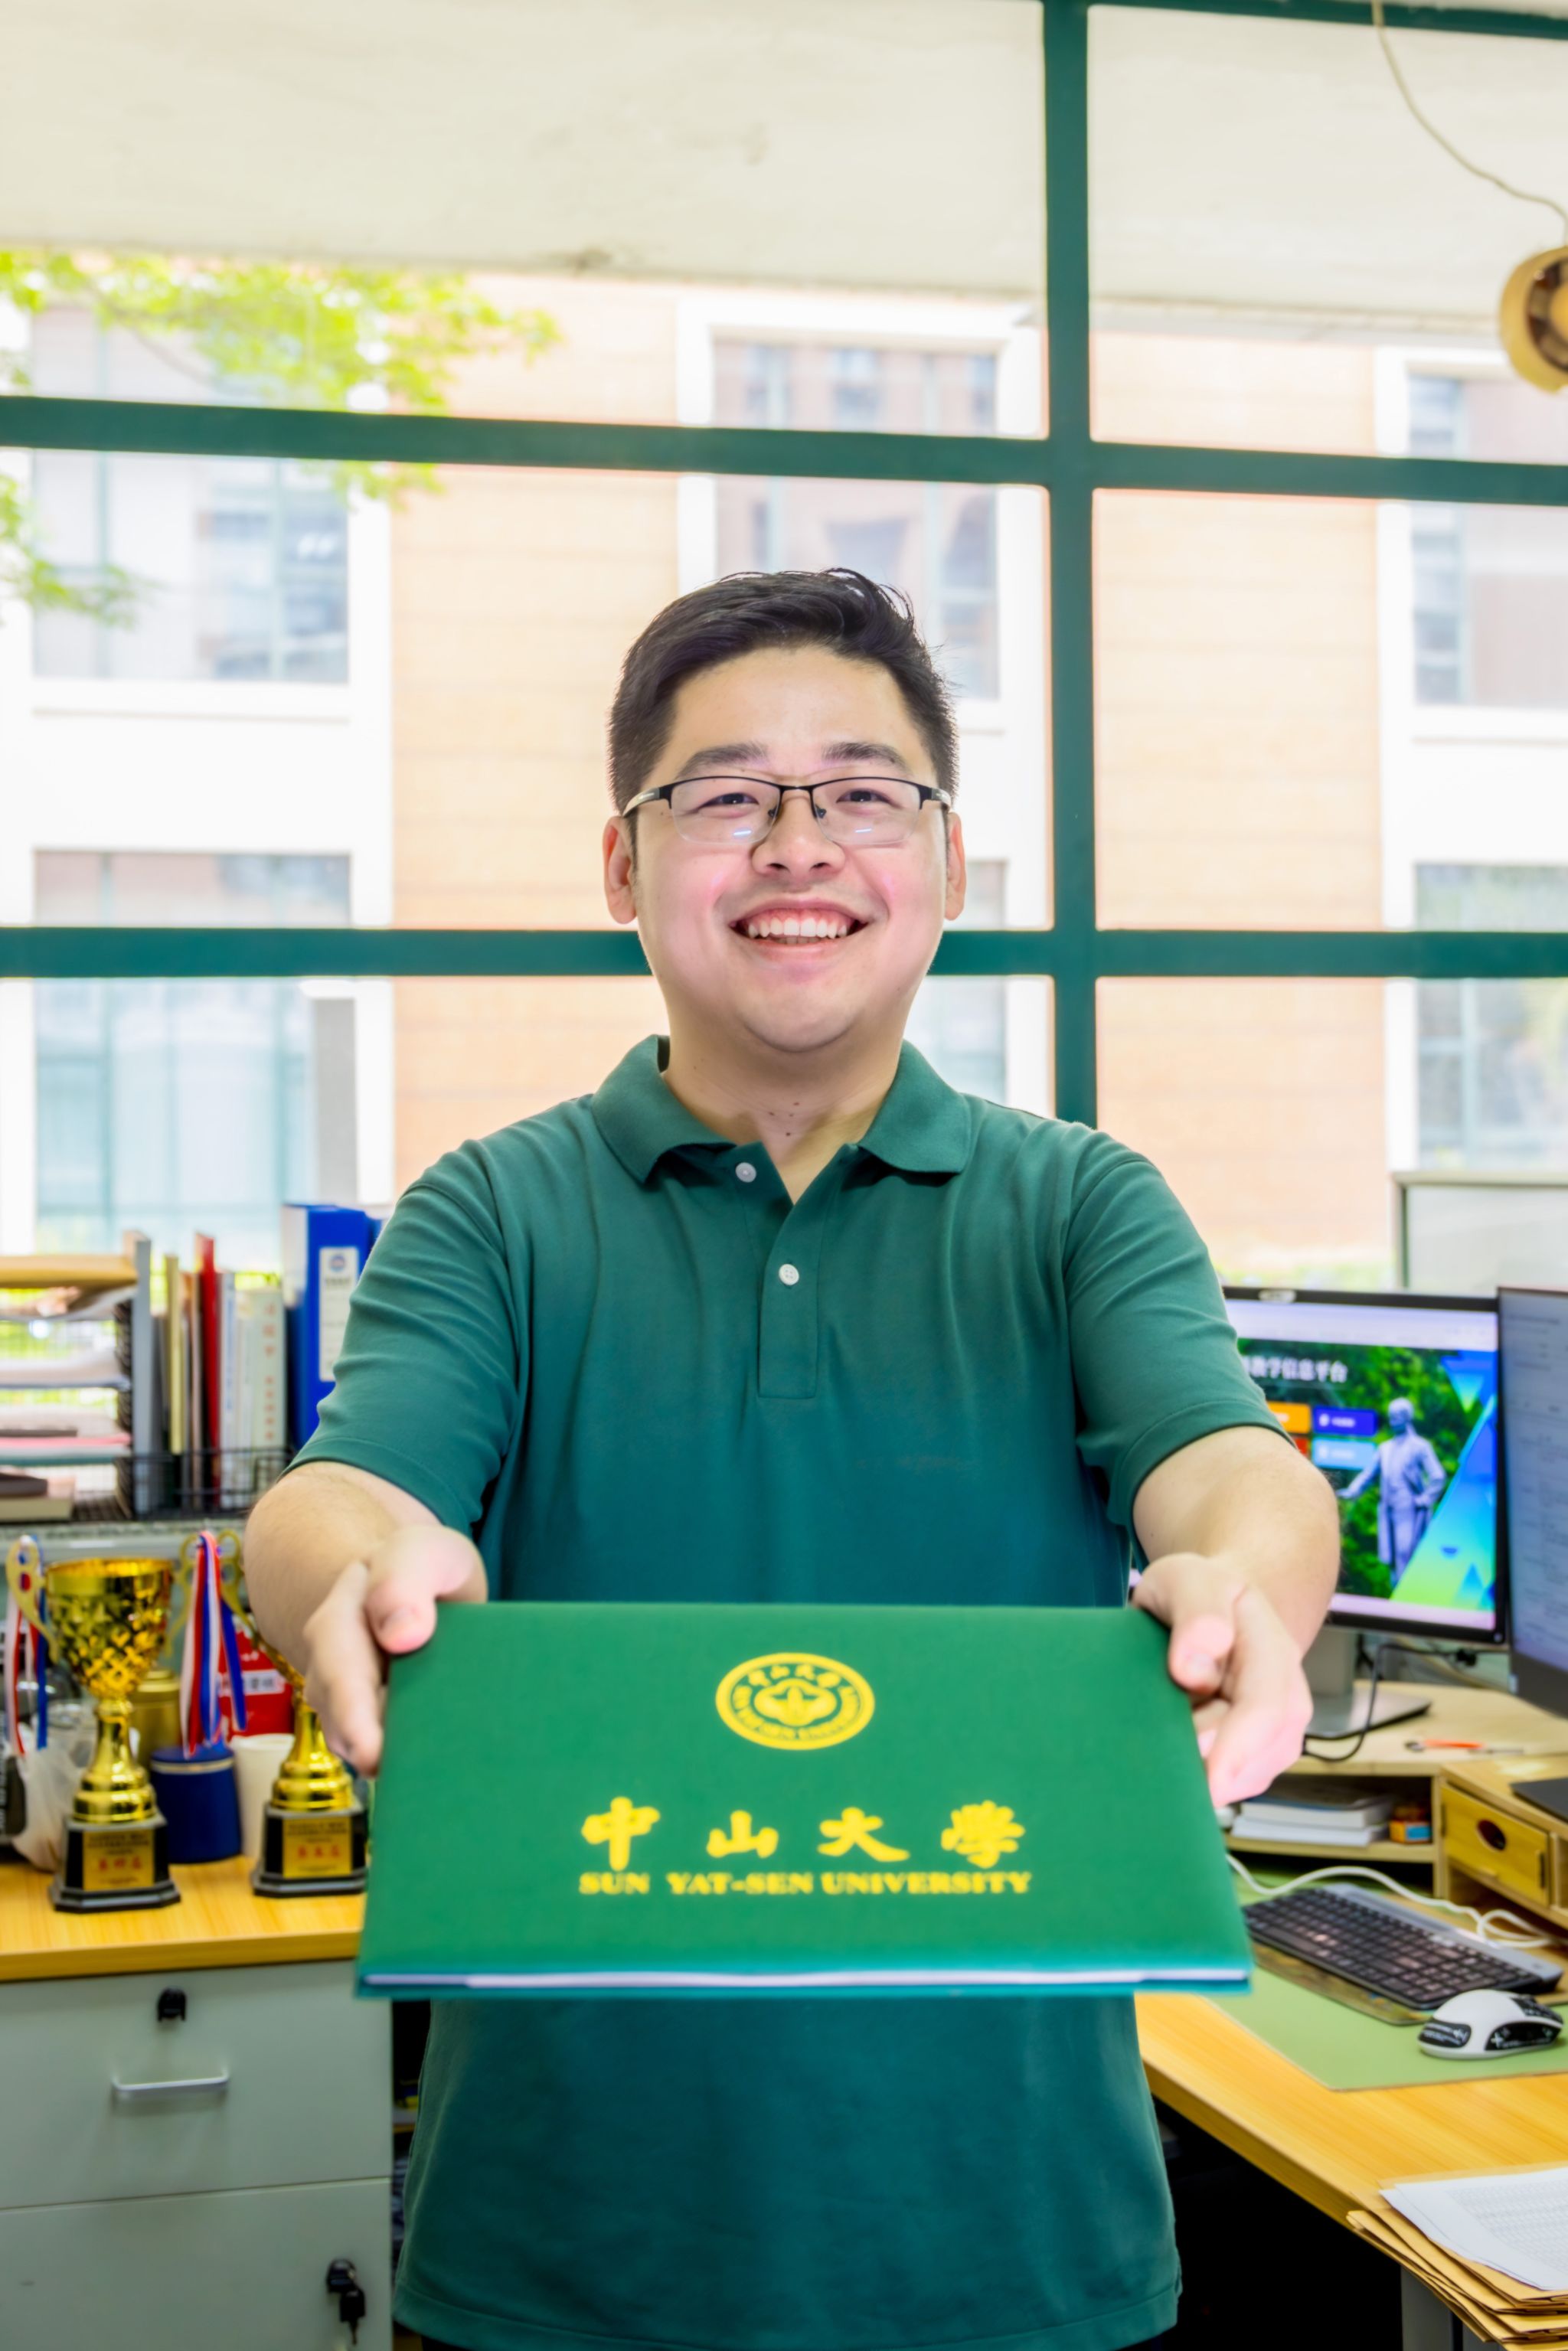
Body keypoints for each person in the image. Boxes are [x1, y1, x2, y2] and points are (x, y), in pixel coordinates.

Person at [245, 568, 1339, 2351]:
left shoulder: (1079, 1204)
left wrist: (1247, 1583)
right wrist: (353, 1564)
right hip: (559, 2255)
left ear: (948, 862)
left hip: (1015, 2248)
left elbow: (1230, 1470)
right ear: (622, 865)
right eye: (728, 793)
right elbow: (341, 1491)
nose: (797, 843)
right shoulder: (494, 1208)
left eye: (859, 790)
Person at [1341, 1396, 1446, 1583]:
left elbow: (1438, 1476)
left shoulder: (1420, 1447)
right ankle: (1397, 1593)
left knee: (1405, 1552)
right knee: (1391, 1557)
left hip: (1409, 1510)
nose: (1392, 1420)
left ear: (1407, 1417)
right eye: (1391, 1416)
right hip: (1388, 1508)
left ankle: (1407, 1592)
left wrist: (1424, 1500)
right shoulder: (1385, 1449)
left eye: (1397, 1416)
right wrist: (1352, 1490)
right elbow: (1368, 1474)